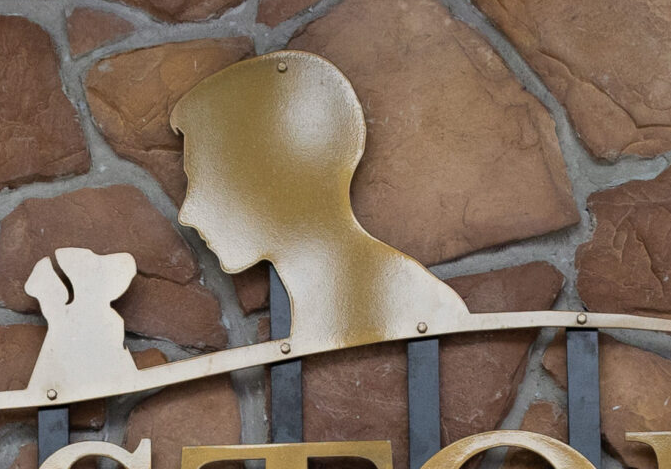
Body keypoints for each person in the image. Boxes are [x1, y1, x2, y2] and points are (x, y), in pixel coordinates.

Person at [170, 50, 468, 350]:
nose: (187, 213)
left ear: (280, 180)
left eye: (208, 183)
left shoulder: (407, 301)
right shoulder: (325, 301)